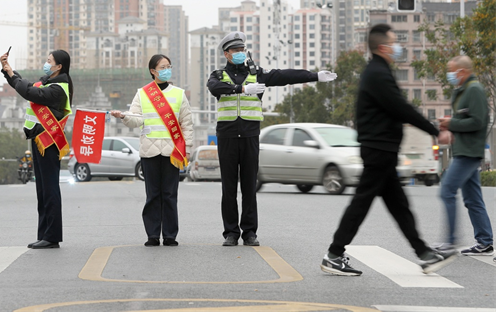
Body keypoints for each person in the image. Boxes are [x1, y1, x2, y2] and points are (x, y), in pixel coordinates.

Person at [320, 23, 456, 276]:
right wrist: (435, 130)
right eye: (394, 42)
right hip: (378, 149)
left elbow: (395, 108)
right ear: (383, 47)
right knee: (363, 204)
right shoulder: (378, 74)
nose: (398, 47)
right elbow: (401, 107)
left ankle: (424, 253)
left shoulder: (378, 71)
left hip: (381, 149)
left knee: (398, 206)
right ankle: (334, 253)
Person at [207, 32, 337, 247]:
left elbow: (285, 76)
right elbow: (214, 88)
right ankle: (231, 232)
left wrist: (314, 76)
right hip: (228, 136)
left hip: (250, 135)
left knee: (249, 186)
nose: (240, 53)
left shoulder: (257, 74)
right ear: (226, 54)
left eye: (242, 50)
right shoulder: (218, 75)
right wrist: (241, 89)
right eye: (236, 50)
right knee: (228, 188)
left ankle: (249, 232)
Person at [111, 54, 193, 247]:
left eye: (169, 66)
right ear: (153, 71)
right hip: (149, 151)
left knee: (170, 195)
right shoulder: (142, 93)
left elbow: (187, 124)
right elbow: (135, 119)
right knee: (153, 195)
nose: (167, 69)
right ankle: (153, 235)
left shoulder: (179, 94)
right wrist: (123, 116)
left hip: (173, 152)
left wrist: (187, 149)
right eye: (163, 67)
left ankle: (170, 235)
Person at [0, 49, 73, 249]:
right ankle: (44, 234)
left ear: (59, 66)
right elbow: (28, 87)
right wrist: (9, 71)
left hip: (49, 142)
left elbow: (30, 92)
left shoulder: (59, 88)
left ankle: (52, 236)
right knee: (42, 190)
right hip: (39, 139)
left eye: (49, 61)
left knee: (49, 189)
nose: (46, 63)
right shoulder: (48, 82)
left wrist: (13, 76)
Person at [436, 55, 493, 256]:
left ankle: (450, 242)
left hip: (469, 153)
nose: (449, 75)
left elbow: (477, 122)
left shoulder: (474, 90)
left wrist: (451, 124)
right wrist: (451, 126)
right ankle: (485, 241)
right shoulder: (462, 90)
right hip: (462, 149)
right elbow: (465, 119)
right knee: (473, 199)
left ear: (462, 72)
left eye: (451, 71)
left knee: (447, 190)